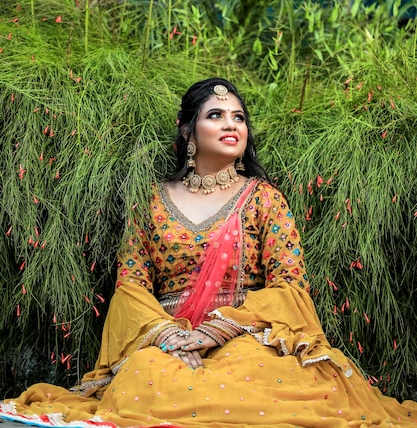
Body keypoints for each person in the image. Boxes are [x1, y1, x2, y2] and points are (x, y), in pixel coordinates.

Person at [1, 77, 416, 428]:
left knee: (271, 387)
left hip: (245, 337)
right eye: (215, 115)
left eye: (238, 117)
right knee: (145, 380)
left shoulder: (264, 199)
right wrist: (170, 335)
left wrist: (217, 330)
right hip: (168, 341)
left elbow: (290, 285)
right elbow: (131, 286)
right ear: (187, 130)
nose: (230, 124)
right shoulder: (150, 202)